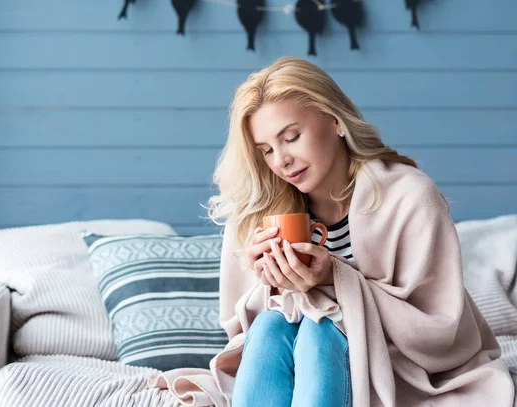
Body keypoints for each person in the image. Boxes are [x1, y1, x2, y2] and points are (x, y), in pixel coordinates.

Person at [149, 56, 514, 407]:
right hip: (292, 358)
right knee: (270, 327)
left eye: (291, 137)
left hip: (403, 366)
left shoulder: (408, 195)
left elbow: (440, 329)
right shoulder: (258, 210)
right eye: (266, 150)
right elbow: (239, 333)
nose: (281, 161)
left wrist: (333, 277)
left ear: (335, 120)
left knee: (321, 330)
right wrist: (272, 285)